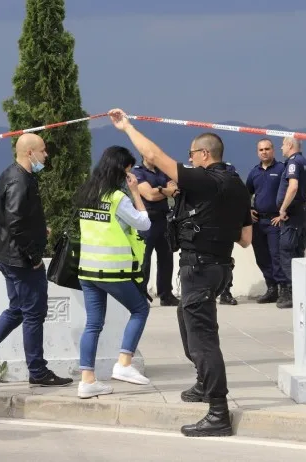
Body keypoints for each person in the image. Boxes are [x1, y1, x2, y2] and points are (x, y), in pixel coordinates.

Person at [109, 108, 252, 438]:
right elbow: (245, 239)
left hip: (200, 267)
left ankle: (218, 412)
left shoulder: (205, 180)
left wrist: (127, 126)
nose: (188, 161)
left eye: (191, 155)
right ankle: (204, 385)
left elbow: (153, 155)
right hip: (217, 268)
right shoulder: (238, 185)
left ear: (203, 155)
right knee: (190, 325)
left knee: (203, 341)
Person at [0, 133, 73, 388]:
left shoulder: (11, 174)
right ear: (29, 153)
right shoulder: (20, 181)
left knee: (17, 310)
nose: (46, 156)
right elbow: (15, 222)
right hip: (21, 260)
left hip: (9, 256)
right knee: (34, 313)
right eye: (43, 151)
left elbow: (20, 218)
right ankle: (38, 371)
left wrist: (38, 229)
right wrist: (33, 256)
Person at [73, 146, 153, 399]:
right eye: (129, 170)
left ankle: (87, 380)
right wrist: (135, 192)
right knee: (140, 309)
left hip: (87, 269)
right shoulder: (118, 198)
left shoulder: (86, 193)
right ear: (122, 169)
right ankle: (124, 364)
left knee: (94, 323)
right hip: (112, 270)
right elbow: (144, 223)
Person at [132, 158, 180, 306]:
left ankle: (166, 295)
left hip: (163, 220)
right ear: (144, 155)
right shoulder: (138, 172)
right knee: (144, 261)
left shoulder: (162, 172)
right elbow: (149, 195)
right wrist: (165, 191)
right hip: (146, 222)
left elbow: (175, 190)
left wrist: (160, 190)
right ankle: (141, 295)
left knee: (166, 259)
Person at [245, 139, 286, 304]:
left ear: (273, 150)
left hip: (275, 221)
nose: (264, 152)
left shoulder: (282, 169)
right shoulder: (254, 172)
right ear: (257, 152)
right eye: (261, 149)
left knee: (276, 256)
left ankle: (284, 290)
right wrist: (248, 209)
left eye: (267, 149)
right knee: (261, 257)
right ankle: (271, 288)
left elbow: (291, 191)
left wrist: (284, 213)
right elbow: (245, 193)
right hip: (258, 222)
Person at [274, 137, 306, 309]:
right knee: (298, 255)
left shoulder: (293, 162)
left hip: (293, 217)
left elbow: (293, 186)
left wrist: (282, 209)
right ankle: (303, 293)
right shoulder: (304, 162)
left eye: (282, 145)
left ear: (289, 145)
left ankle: (295, 294)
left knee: (287, 254)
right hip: (301, 215)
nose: (281, 148)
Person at [218, 163, 239, 306]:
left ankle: (225, 292)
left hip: (224, 225)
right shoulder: (198, 174)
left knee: (226, 261)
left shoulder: (228, 170)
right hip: (203, 227)